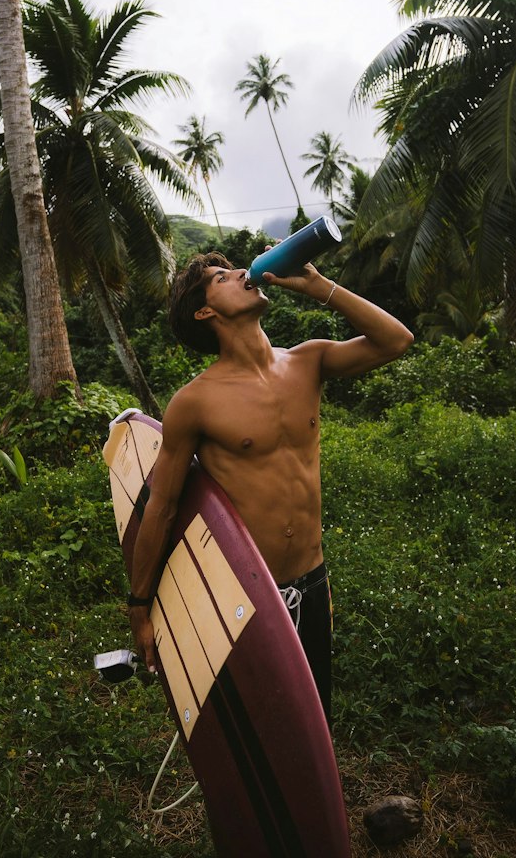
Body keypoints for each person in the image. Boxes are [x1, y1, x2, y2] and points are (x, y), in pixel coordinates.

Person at [127, 249, 413, 723]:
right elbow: (162, 506)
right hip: (246, 593)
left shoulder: (309, 361)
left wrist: (322, 289)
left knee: (314, 714)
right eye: (223, 276)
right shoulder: (194, 402)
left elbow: (396, 340)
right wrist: (140, 605)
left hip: (313, 579)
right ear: (205, 311)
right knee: (260, 722)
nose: (243, 272)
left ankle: (317, 801)